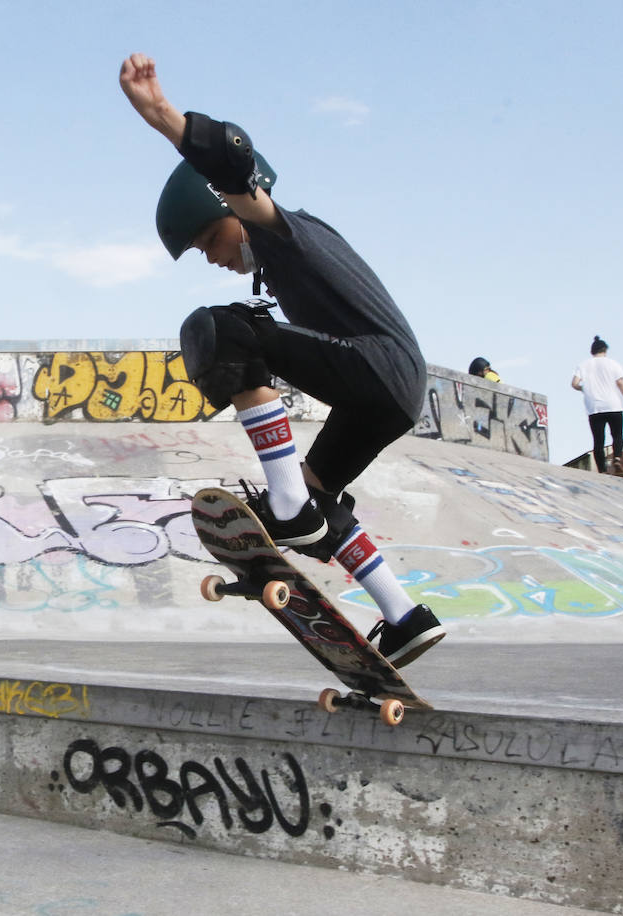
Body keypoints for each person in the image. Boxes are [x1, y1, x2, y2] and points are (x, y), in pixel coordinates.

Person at [119, 53, 444, 666]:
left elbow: (232, 167)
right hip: (385, 395)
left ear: (230, 216)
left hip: (380, 369)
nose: (212, 258)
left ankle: (288, 506)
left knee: (221, 329)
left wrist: (164, 116)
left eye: (209, 240)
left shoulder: (278, 229)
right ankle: (404, 615)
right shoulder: (277, 261)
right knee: (322, 504)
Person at [571, 336, 623, 474]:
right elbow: (621, 383)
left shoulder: (583, 365)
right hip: (614, 405)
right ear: (605, 350)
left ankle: (602, 470)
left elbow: (574, 384)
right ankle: (617, 458)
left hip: (594, 407)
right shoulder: (613, 364)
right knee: (617, 435)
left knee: (598, 440)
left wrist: (583, 389)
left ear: (592, 351)